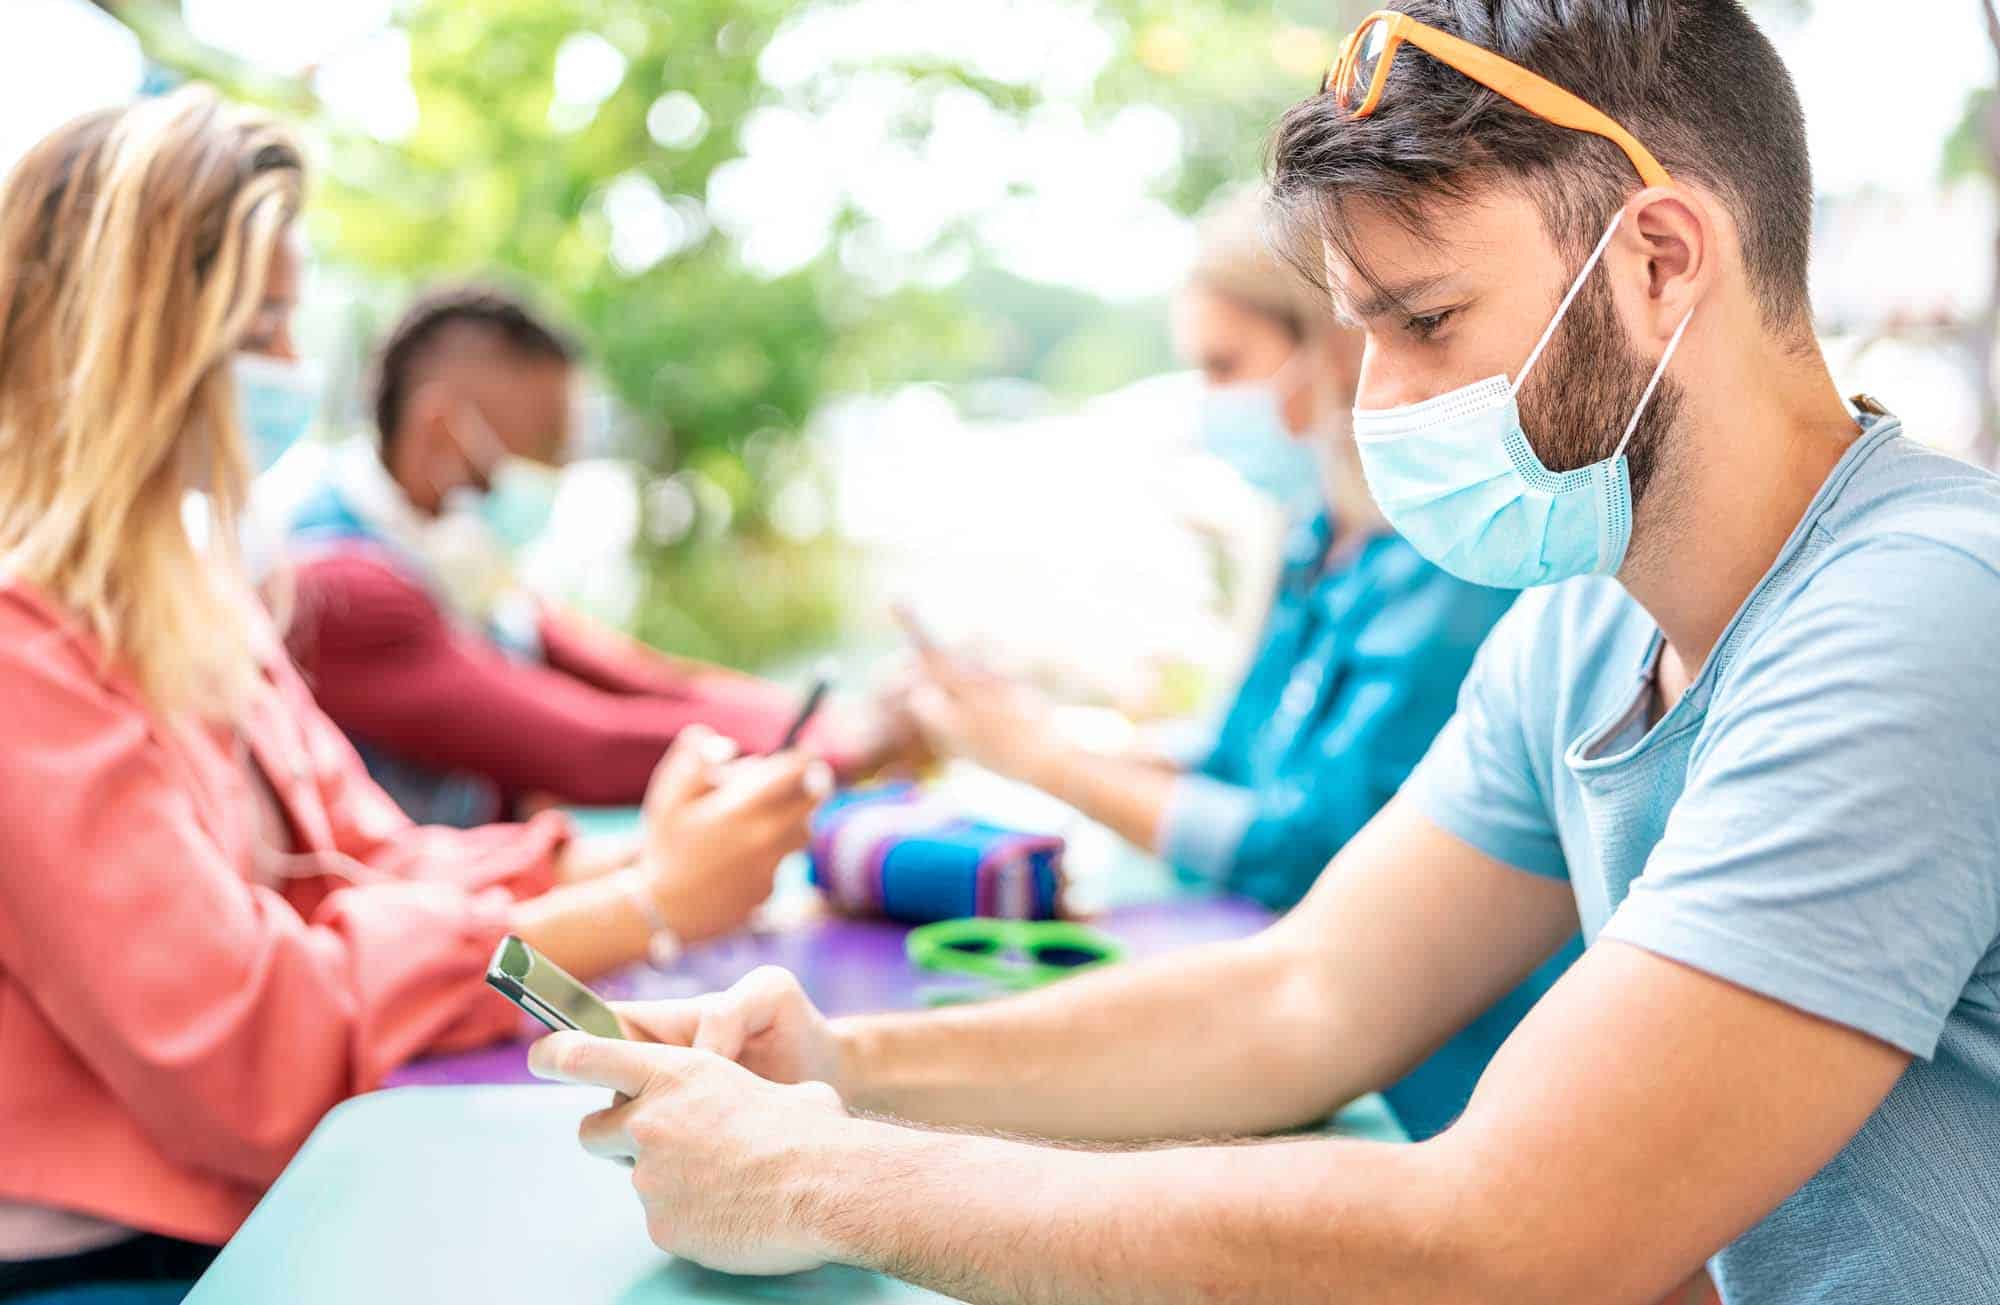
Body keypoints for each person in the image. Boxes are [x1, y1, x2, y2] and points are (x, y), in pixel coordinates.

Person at [530, 4, 2000, 1302]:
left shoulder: (1924, 610)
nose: (1379, 404)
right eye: (1363, 333)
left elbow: (1512, 1238)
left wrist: (819, 1183)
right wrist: (842, 1071)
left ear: (1664, 256)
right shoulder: (1586, 620)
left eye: (1425, 320)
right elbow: (1307, 995)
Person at [0, 89, 823, 1302]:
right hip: (118, 1264)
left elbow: (384, 863)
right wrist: (644, 903)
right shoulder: (29, 654)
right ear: (136, 336)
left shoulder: (199, 610)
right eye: (263, 323)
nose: (290, 367)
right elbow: (252, 1050)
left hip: (253, 1204)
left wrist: (628, 873)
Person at [911, 190, 1553, 1140]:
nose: (1213, 403)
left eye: (1225, 365)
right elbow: (1236, 759)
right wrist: (1042, 727)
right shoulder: (1318, 538)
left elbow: (1303, 846)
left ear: (1333, 340)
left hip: (1436, 1093)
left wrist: (1045, 762)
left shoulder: (1454, 560)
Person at [268, 285, 918, 829]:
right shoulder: (341, 586)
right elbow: (589, 748)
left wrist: (829, 715)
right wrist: (837, 746)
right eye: (545, 445)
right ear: (443, 428)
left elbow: (641, 678)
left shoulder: (459, 555)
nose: (560, 471)